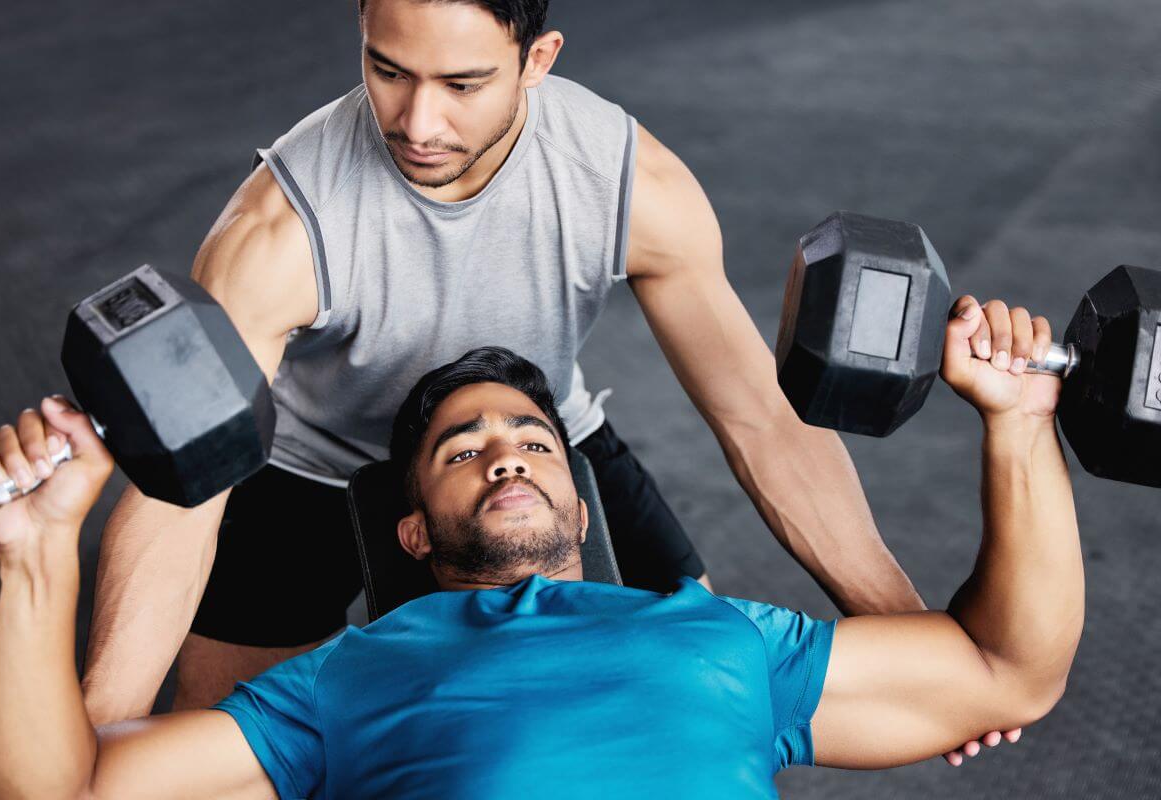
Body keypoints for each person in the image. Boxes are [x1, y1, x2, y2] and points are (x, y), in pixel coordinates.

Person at [81, 0, 930, 733]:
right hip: (312, 469)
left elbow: (761, 417)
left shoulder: (624, 181)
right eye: (388, 70)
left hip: (539, 440)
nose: (417, 124)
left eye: (461, 85)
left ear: (537, 60)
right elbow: (179, 496)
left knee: (691, 684)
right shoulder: (280, 229)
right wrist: (89, 738)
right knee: (211, 740)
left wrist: (918, 646)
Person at [0, 298, 1082, 798]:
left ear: (584, 502)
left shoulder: (725, 633)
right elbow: (54, 792)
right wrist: (39, 543)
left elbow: (1009, 668)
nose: (505, 456)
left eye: (532, 440)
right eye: (463, 450)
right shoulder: (344, 681)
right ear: (411, 530)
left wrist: (1019, 421)